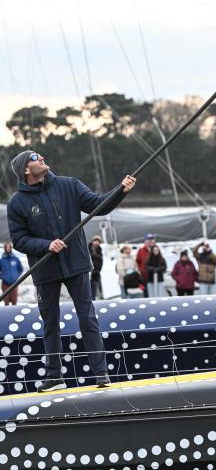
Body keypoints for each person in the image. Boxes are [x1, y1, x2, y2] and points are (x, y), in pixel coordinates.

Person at [7, 149, 136, 392]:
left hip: (76, 264)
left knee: (87, 317)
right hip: (45, 269)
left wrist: (121, 191)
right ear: (25, 169)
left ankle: (101, 374)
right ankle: (55, 377)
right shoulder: (17, 203)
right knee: (50, 323)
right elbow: (19, 240)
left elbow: (99, 205)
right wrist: (46, 245)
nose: (42, 158)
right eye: (35, 158)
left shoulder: (68, 185)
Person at [0, 241, 24, 305]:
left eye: (9, 247)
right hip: (5, 284)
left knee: (14, 301)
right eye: (6, 247)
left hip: (14, 284)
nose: (8, 248)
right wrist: (3, 277)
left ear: (11, 248)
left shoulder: (16, 259)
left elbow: (21, 269)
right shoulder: (1, 260)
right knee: (6, 302)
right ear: (4, 248)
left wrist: (16, 276)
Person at [88, 236, 103, 300]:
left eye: (98, 241)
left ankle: (93, 301)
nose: (96, 243)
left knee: (94, 290)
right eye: (95, 241)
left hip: (95, 274)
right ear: (92, 241)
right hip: (87, 272)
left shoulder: (99, 251)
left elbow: (101, 262)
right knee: (85, 290)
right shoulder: (87, 249)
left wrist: (97, 271)